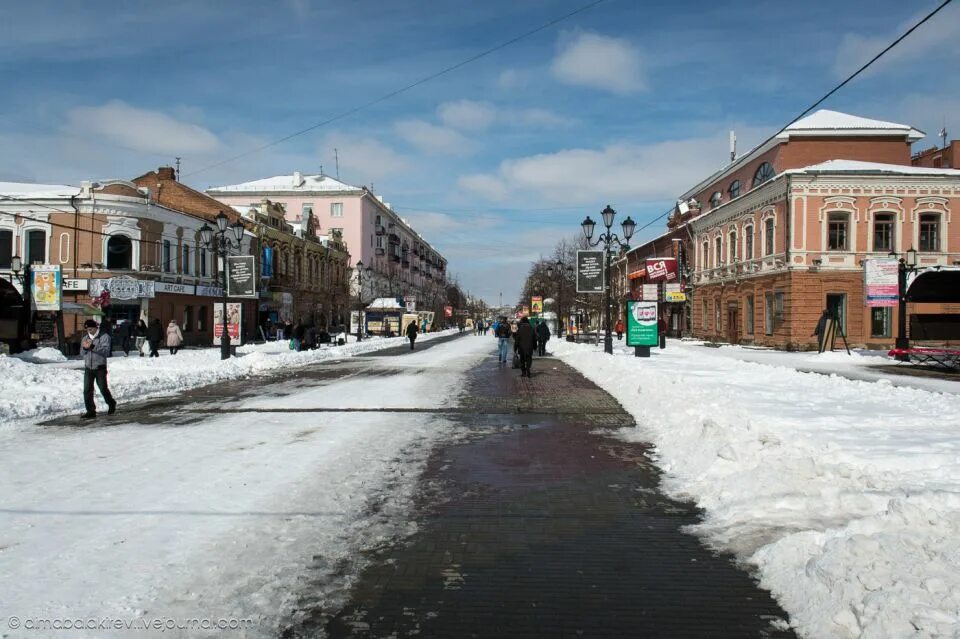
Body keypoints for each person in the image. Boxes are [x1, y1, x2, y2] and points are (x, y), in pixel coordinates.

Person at [80, 319, 116, 419]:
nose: (89, 331)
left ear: (96, 327)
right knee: (87, 390)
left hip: (100, 367)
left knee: (103, 388)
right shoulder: (85, 338)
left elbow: (106, 352)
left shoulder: (104, 337)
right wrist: (85, 348)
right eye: (87, 329)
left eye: (91, 329)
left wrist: (92, 346)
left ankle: (111, 403)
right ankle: (90, 411)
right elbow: (81, 354)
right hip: (88, 368)